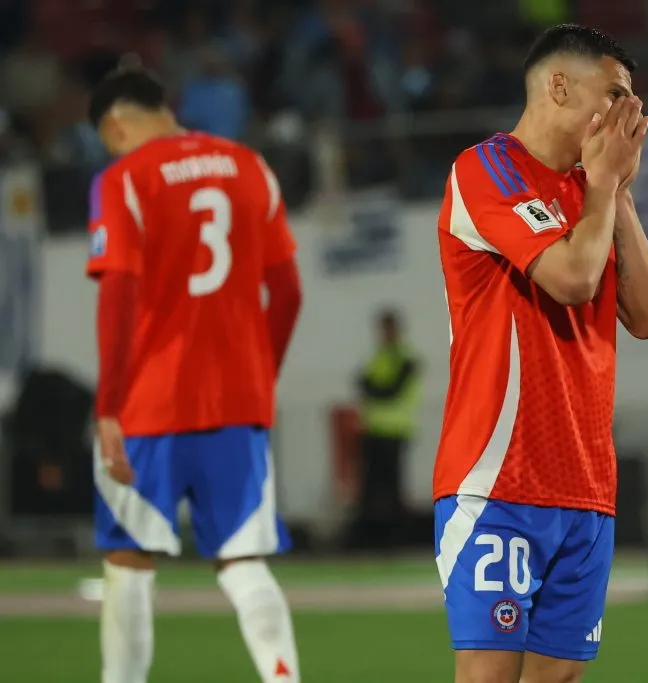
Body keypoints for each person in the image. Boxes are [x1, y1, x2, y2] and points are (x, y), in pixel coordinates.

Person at [432, 23, 648, 683]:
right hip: (498, 478)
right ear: (559, 85)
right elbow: (572, 279)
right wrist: (604, 186)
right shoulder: (487, 168)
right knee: (489, 674)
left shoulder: (591, 192)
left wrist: (617, 192)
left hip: (585, 485)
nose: (630, 113)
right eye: (615, 93)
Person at [85, 59, 303, 683]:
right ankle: (284, 677)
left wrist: (108, 407)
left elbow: (118, 296)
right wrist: (262, 375)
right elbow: (288, 292)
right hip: (237, 401)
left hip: (149, 403)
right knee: (244, 562)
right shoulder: (249, 166)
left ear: (116, 125)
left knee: (129, 561)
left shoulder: (123, 179)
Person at [350, 308, 421, 549]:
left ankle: (397, 539)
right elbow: (364, 384)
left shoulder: (406, 359)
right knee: (370, 489)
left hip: (395, 433)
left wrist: (371, 388)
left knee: (393, 488)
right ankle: (371, 540)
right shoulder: (379, 356)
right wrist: (371, 388)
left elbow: (386, 391)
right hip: (373, 431)